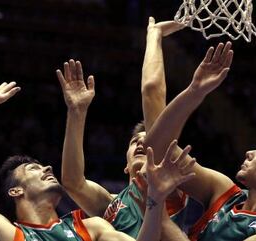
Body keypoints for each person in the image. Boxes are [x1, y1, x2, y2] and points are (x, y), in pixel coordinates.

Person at [0, 79, 194, 241]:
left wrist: (155, 200)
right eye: (33, 168)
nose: (47, 167)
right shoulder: (4, 234)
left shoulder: (91, 228)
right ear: (16, 190)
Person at [143, 41, 256, 241]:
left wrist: (159, 215)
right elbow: (157, 150)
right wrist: (194, 92)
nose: (249, 153)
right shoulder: (223, 190)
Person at [57, 17, 190, 238]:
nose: (141, 142)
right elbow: (72, 182)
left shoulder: (174, 187)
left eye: (147, 139)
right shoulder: (110, 202)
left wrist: (154, 36)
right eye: (133, 142)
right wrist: (76, 113)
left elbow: (152, 92)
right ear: (126, 166)